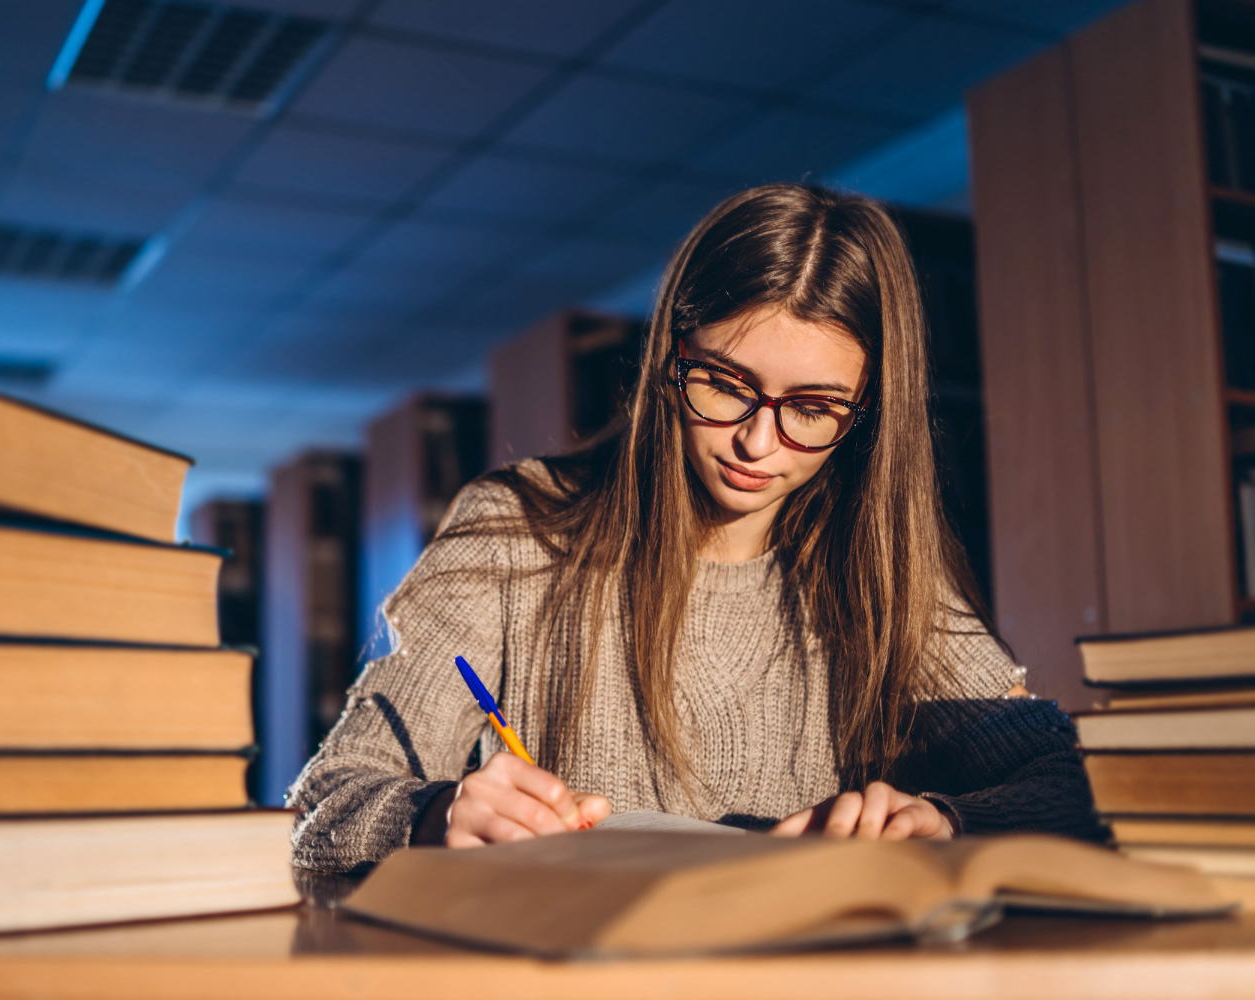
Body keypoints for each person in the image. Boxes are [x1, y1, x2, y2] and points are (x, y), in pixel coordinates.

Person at [289, 184, 1102, 873]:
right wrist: (435, 816)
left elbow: (1069, 784)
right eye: (724, 384)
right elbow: (323, 804)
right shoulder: (517, 530)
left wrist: (945, 822)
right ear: (667, 357)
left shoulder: (884, 572)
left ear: (865, 418)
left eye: (813, 410)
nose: (756, 442)